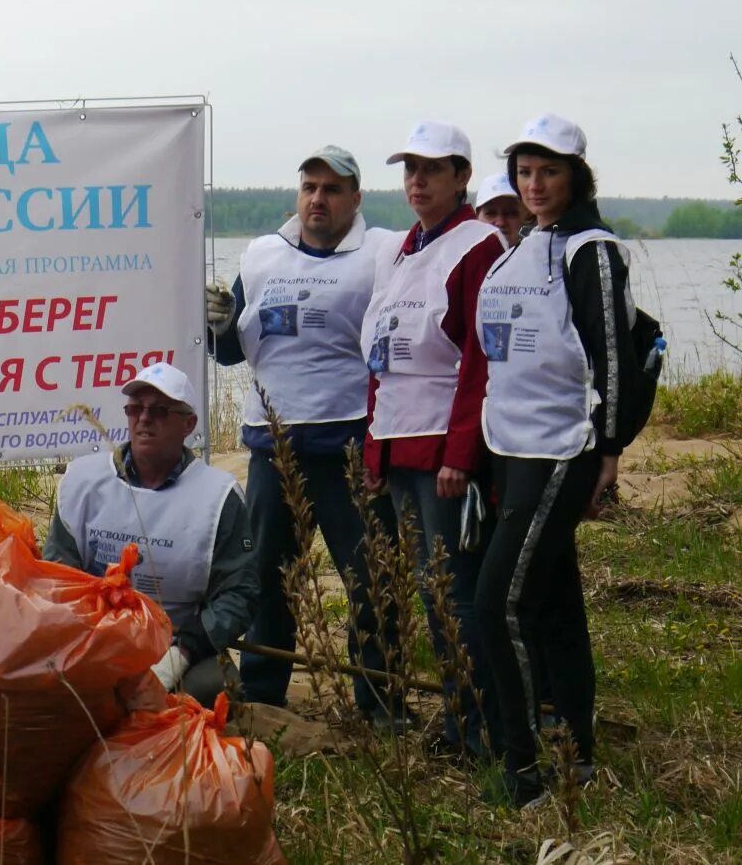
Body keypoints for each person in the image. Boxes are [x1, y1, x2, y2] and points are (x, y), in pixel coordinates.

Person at [204, 146, 405, 725]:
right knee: (270, 576)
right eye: (310, 187)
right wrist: (216, 323)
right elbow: (229, 352)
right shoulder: (263, 255)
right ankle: (266, 693)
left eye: (333, 189)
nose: (319, 198)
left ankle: (379, 699)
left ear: (356, 199)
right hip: (275, 445)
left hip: (348, 444)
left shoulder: (379, 253)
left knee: (371, 576)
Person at [477, 114, 636, 807]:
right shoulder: (521, 245)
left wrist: (610, 451)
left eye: (549, 172)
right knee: (552, 603)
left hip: (564, 449)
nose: (535, 185)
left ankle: (524, 770)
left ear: (576, 176)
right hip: (512, 449)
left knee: (493, 605)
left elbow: (615, 358)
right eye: (525, 172)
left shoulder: (590, 250)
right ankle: (577, 748)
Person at [364, 121, 507, 758]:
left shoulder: (479, 245)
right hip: (397, 445)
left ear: (461, 177)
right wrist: (374, 449)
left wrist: (461, 455)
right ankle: (458, 718)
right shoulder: (399, 249)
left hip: (440, 453)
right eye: (409, 170)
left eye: (431, 170)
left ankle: (480, 727)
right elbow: (380, 356)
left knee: (453, 590)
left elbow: (482, 361)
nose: (417, 182)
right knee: (426, 590)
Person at [43, 364, 258, 703]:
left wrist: (182, 652)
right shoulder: (83, 483)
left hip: (176, 643)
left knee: (218, 689)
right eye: (135, 408)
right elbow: (55, 575)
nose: (144, 418)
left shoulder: (219, 497)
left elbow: (239, 593)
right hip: (92, 636)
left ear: (188, 425)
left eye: (159, 411)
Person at [475, 173, 526, 247]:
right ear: (477, 217)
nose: (501, 222)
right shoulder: (460, 256)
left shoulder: (539, 256)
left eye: (511, 213)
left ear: (523, 217)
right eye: (491, 213)